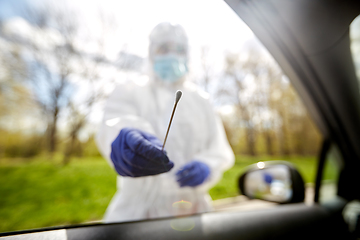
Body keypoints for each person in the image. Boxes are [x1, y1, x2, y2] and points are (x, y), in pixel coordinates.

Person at [96, 22, 235, 223]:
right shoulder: (130, 90)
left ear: (187, 54)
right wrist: (126, 139)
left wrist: (207, 166)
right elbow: (115, 124)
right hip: (137, 215)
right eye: (164, 48)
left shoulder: (201, 100)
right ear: (151, 53)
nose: (172, 54)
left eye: (179, 49)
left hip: (194, 210)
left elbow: (218, 149)